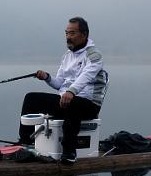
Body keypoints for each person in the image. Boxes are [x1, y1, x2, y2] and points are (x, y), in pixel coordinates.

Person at [19, 17, 108, 164]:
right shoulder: (67, 56)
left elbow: (86, 77)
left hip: (89, 105)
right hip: (66, 100)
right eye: (66, 33)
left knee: (72, 102)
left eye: (72, 33)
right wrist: (47, 77)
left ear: (84, 34)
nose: (68, 37)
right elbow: (59, 83)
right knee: (31, 98)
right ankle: (26, 143)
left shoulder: (94, 55)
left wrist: (71, 91)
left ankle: (69, 152)